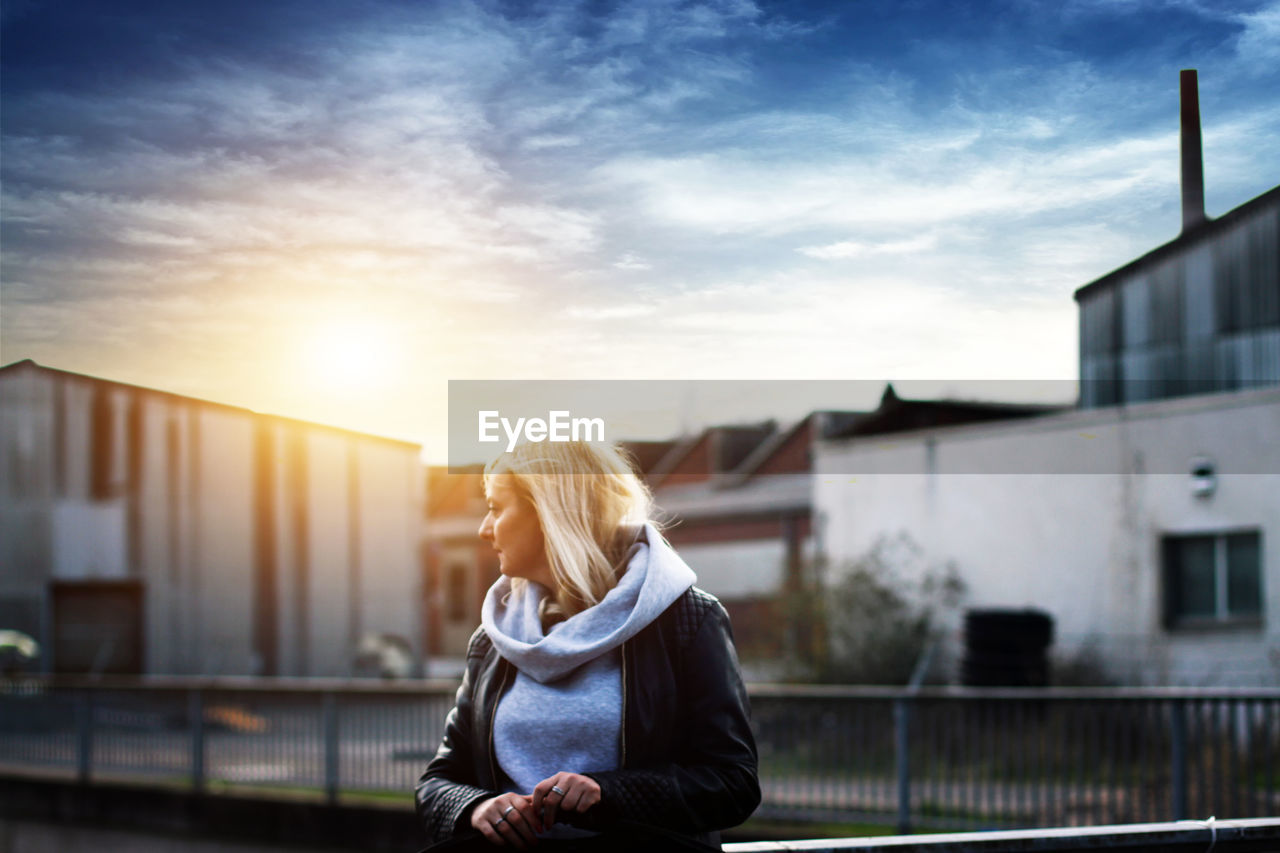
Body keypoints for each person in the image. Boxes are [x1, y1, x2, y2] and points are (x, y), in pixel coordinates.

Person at [415, 440, 760, 851]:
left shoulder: (686, 620)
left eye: (495, 507)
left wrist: (608, 793)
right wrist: (474, 808)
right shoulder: (493, 638)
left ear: (550, 512)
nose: (483, 529)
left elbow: (732, 783)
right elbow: (438, 781)